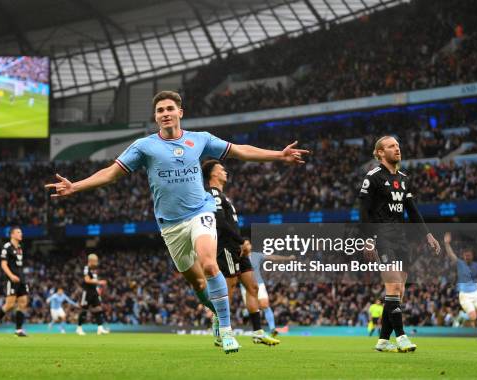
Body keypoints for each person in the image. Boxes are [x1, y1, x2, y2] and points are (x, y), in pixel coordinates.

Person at [46, 90, 308, 354]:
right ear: (156, 117)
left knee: (209, 263)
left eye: (170, 108)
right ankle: (215, 312)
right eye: (160, 110)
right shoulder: (144, 146)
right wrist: (75, 186)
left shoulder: (200, 140)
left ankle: (228, 332)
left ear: (180, 112)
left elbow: (240, 150)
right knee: (197, 284)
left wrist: (278, 155)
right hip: (170, 225)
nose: (165, 114)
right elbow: (111, 173)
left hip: (200, 212)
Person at [359, 136, 440, 352]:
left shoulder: (404, 179)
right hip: (381, 237)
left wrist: (428, 235)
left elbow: (412, 210)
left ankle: (383, 340)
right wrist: (368, 239)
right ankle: (401, 337)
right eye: (391, 146)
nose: (397, 148)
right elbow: (364, 211)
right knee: (393, 285)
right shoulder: (373, 177)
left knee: (399, 291)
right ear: (379, 153)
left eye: (397, 145)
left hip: (401, 238)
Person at [202, 159, 279, 346]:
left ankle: (258, 333)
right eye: (221, 169)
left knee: (252, 287)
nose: (225, 171)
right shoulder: (212, 194)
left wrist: (242, 243)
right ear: (213, 174)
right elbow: (220, 223)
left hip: (238, 248)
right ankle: (219, 330)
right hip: (226, 247)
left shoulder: (224, 196)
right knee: (227, 290)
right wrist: (241, 241)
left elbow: (231, 224)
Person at [443, 233, 477, 341]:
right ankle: (462, 315)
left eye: (469, 255)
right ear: (463, 256)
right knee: (473, 317)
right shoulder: (459, 263)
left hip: (476, 292)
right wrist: (446, 244)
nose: (467, 257)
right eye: (466, 255)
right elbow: (451, 254)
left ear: (472, 256)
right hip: (464, 294)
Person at [0, 226, 29, 337]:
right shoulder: (7, 247)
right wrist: (11, 276)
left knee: (23, 302)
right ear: (12, 235)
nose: (21, 234)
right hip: (12, 279)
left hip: (21, 279)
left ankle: (18, 330)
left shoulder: (19, 248)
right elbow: (3, 264)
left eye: (21, 232)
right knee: (9, 305)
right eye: (19, 232)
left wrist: (21, 277)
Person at [77, 254, 110, 336]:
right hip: (87, 292)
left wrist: (98, 288)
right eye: (95, 261)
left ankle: (100, 328)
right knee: (84, 310)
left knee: (98, 309)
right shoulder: (86, 268)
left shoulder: (94, 270)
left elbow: (93, 281)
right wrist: (99, 282)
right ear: (90, 261)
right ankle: (79, 328)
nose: (96, 262)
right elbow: (87, 280)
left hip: (94, 292)